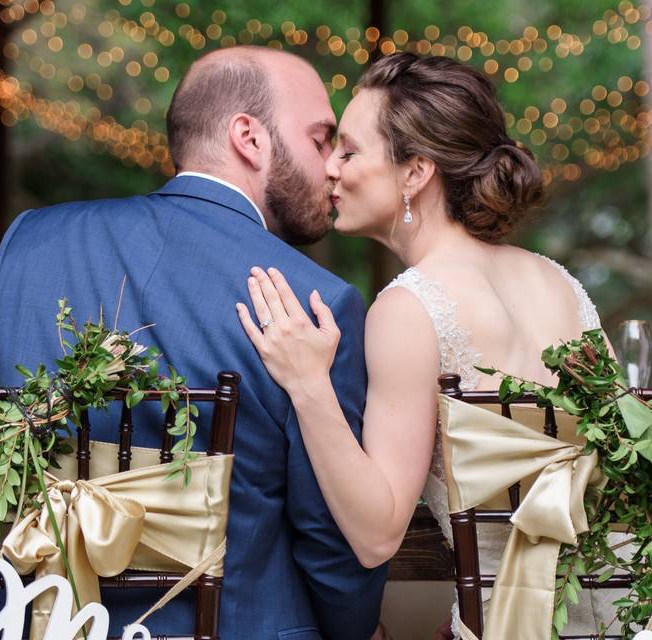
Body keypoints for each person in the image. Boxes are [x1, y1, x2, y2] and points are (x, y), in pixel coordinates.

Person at [0, 46, 386, 639]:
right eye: (319, 141)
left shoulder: (30, 245)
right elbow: (333, 548)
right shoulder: (315, 303)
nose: (331, 167)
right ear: (249, 138)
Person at [237, 52, 608, 638]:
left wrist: (309, 385)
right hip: (614, 614)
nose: (328, 168)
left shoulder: (409, 308)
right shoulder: (559, 282)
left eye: (350, 151)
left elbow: (376, 534)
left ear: (415, 172)